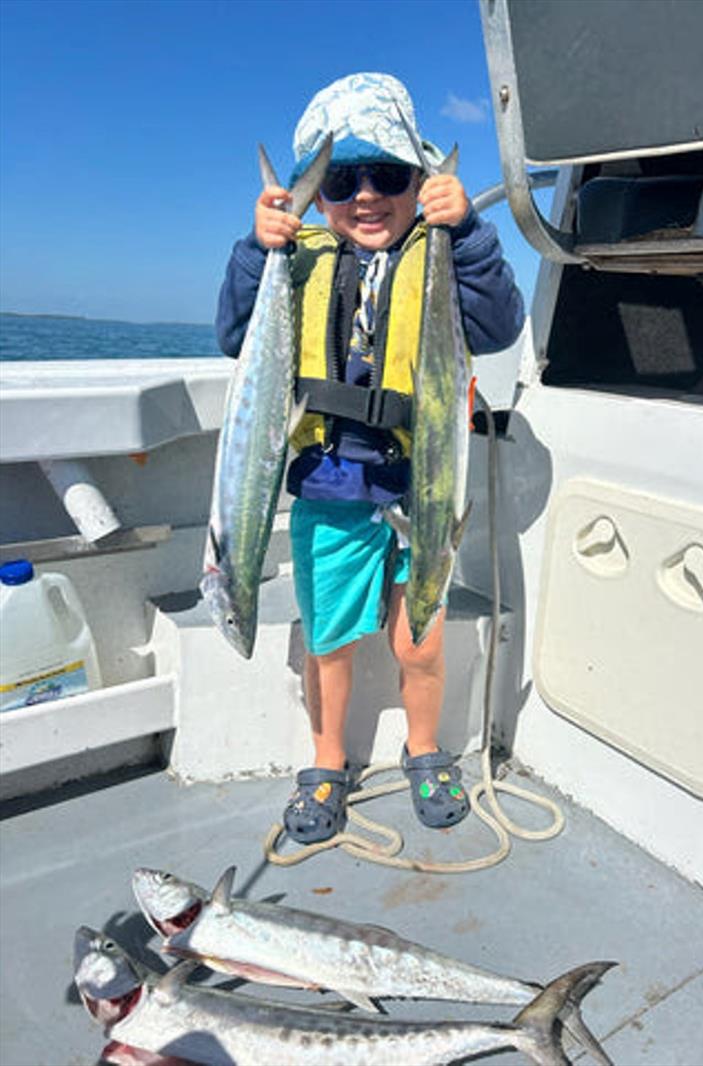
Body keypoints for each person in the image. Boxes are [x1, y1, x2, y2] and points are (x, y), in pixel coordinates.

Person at [216, 72, 525, 844]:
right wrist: (259, 250)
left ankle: (425, 748)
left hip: (424, 483)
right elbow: (235, 335)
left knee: (421, 639)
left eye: (388, 176)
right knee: (329, 643)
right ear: (317, 198)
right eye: (341, 181)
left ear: (420, 181)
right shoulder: (300, 261)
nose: (364, 196)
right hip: (330, 486)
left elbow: (497, 325)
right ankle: (327, 758)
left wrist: (469, 234)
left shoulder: (441, 252)